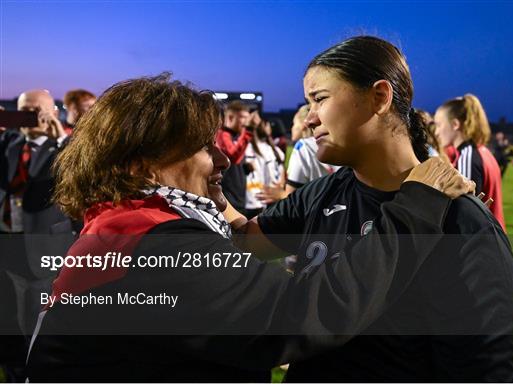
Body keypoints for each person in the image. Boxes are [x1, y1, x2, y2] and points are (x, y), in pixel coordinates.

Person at [26, 73, 473, 382]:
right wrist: (417, 207)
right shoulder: (163, 245)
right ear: (142, 162)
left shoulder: (127, 221)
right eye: (204, 147)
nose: (222, 160)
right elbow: (305, 313)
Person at [223, 36, 513, 382]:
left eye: (320, 99)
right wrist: (204, 181)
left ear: (379, 97)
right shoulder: (322, 193)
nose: (309, 119)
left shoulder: (462, 220)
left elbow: (486, 370)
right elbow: (246, 239)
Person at [0, 89, 70, 381]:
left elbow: (86, 173)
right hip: (7, 244)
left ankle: (40, 373)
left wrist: (62, 140)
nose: (30, 116)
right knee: (8, 321)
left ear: (52, 111)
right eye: (24, 110)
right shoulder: (10, 141)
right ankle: (15, 372)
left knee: (39, 320)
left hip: (44, 248)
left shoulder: (67, 147)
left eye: (35, 110)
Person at [435, 93, 506, 230]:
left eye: (439, 125)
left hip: (482, 243)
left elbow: (465, 215)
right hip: (492, 238)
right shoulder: (482, 151)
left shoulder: (467, 158)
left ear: (455, 124)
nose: (436, 132)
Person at [256, 105, 340, 205]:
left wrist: (281, 195)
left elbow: (292, 199)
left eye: (294, 124)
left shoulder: (303, 146)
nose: (292, 128)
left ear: (303, 125)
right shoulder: (336, 144)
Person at [216, 101, 258, 215]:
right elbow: (232, 156)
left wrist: (245, 167)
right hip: (228, 199)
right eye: (243, 118)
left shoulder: (236, 135)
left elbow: (234, 163)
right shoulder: (222, 134)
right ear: (230, 117)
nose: (246, 122)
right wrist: (248, 131)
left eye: (247, 118)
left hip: (238, 196)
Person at [244, 121, 285, 218]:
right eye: (265, 124)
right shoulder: (268, 148)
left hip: (261, 197)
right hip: (263, 197)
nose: (268, 127)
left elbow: (280, 170)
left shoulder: (269, 148)